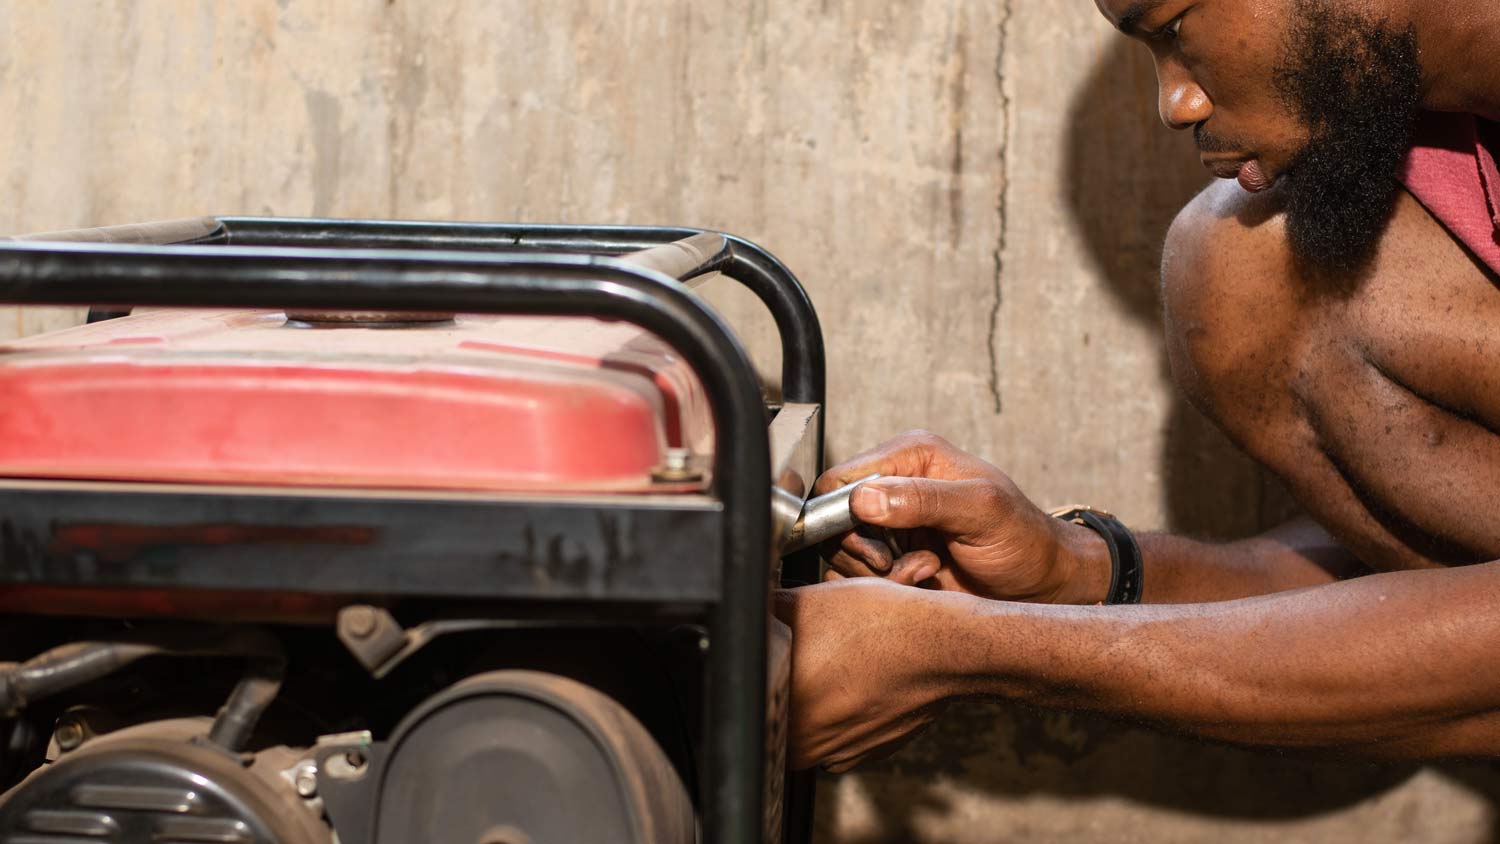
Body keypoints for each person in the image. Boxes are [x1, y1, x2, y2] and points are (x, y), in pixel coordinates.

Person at [777, 0, 1500, 773]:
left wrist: (971, 652)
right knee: (1238, 270)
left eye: (1173, 29)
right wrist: (1081, 570)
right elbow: (1433, 594)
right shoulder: (1425, 130)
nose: (1175, 103)